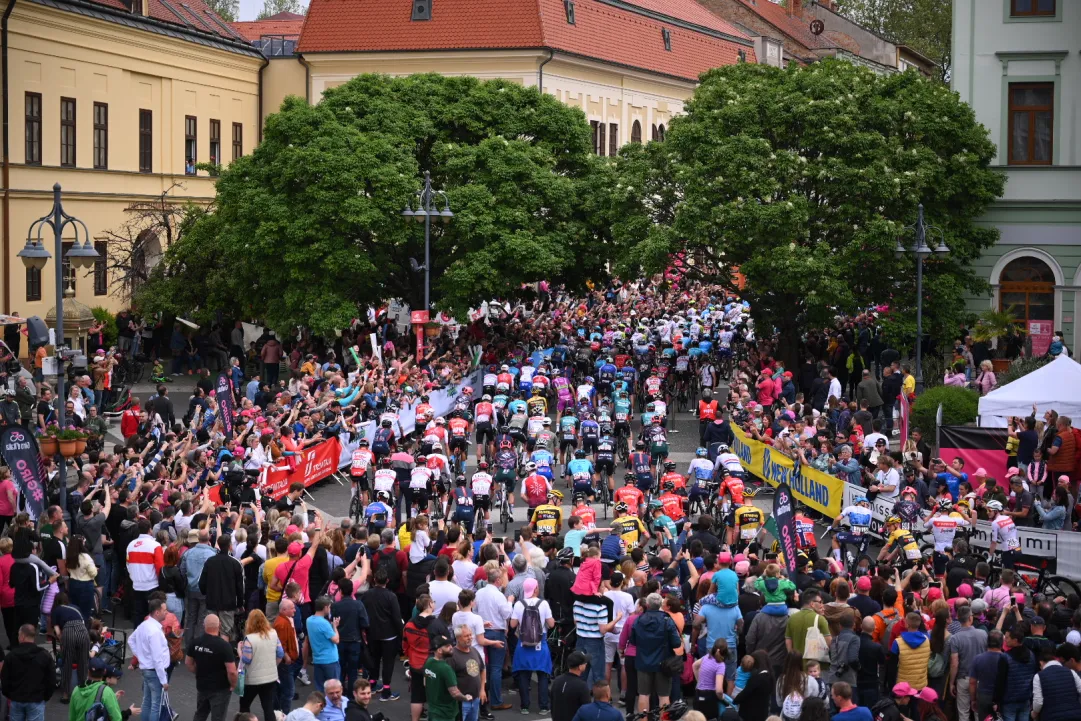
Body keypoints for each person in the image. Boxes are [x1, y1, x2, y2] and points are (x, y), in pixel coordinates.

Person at [631, 592, 683, 713]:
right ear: (660, 604)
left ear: (647, 605)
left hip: (643, 662)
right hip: (663, 663)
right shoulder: (667, 621)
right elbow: (676, 643)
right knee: (664, 696)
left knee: (644, 695)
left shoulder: (639, 620)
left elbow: (633, 641)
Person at [510, 577, 555, 714]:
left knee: (524, 675)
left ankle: (524, 706)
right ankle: (543, 706)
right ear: (535, 589)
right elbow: (551, 624)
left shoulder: (519, 604)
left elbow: (512, 625)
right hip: (540, 643)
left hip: (523, 644)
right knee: (542, 675)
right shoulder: (544, 604)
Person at [187, 614, 239, 721]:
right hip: (220, 689)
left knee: (200, 714)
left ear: (203, 625)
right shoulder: (224, 646)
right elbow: (232, 671)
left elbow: (188, 663)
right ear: (219, 625)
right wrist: (234, 684)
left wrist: (199, 673)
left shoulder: (195, 642)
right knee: (218, 717)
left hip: (202, 686)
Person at [1, 624, 56, 720]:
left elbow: (4, 679)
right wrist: (45, 696)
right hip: (36, 699)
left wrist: (10, 695)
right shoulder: (44, 656)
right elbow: (51, 679)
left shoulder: (11, 656)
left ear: (22, 636)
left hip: (16, 699)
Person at [129, 597, 171, 721]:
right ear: (157, 612)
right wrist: (164, 680)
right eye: (164, 610)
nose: (166, 612)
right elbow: (157, 659)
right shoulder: (155, 632)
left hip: (146, 670)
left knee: (146, 701)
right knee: (155, 706)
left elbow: (131, 640)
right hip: (155, 672)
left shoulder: (144, 625)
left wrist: (140, 656)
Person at [238, 609, 284, 720]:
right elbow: (280, 653)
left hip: (252, 680)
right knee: (268, 707)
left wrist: (239, 649)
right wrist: (274, 666)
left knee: (244, 705)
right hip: (270, 678)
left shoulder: (249, 639)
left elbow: (246, 660)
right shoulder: (273, 634)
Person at [425, 634, 475, 721]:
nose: (451, 647)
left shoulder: (429, 662)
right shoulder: (446, 669)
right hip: (445, 714)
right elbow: (455, 694)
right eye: (447, 646)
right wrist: (466, 697)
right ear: (440, 650)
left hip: (433, 711)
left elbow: (425, 683)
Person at [449, 625, 487, 721]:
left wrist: (482, 690)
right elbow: (448, 679)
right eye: (466, 636)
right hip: (461, 702)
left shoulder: (474, 651)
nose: (470, 638)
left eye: (470, 635)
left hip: (475, 699)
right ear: (458, 638)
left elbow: (482, 670)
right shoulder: (452, 655)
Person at [307, 595, 342, 690]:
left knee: (321, 689)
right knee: (334, 689)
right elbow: (336, 640)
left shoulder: (309, 620)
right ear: (326, 607)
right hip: (330, 659)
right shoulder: (324, 623)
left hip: (317, 659)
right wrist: (335, 627)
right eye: (329, 607)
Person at [274, 598, 302, 713]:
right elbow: (280, 643)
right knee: (289, 691)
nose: (295, 610)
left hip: (288, 661)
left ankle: (278, 712)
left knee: (283, 689)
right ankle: (284, 714)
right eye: (292, 608)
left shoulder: (286, 620)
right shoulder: (281, 623)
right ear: (284, 610)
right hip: (286, 663)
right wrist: (286, 656)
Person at [733, 650, 775, 721]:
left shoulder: (757, 678)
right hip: (763, 714)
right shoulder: (770, 676)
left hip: (750, 715)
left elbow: (744, 693)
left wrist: (734, 701)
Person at [552, 651, 592, 721]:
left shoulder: (557, 681)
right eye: (584, 662)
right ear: (579, 667)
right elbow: (587, 711)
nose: (586, 663)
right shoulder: (582, 686)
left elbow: (552, 704)